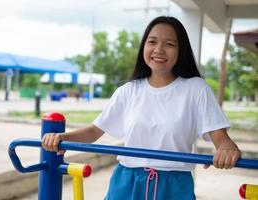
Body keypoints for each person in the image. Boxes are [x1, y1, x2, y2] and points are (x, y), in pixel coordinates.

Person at [42, 16, 241, 200]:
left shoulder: (196, 89)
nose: (159, 50)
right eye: (152, 42)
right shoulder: (128, 91)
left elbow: (222, 140)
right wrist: (63, 138)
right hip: (126, 183)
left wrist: (227, 149)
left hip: (174, 187)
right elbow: (95, 131)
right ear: (144, 46)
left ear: (181, 51)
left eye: (169, 44)